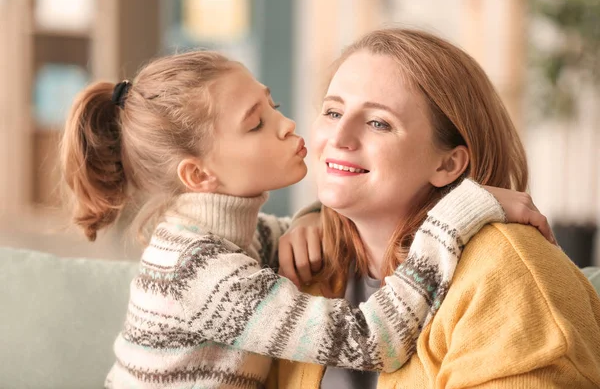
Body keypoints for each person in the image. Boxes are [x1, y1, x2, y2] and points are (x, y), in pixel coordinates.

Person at [60, 50, 553, 388]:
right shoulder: (195, 270)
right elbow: (368, 341)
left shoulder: (237, 238)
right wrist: (457, 210)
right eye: (256, 123)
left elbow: (285, 236)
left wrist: (314, 214)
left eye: (271, 104)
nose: (289, 124)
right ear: (200, 174)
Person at [274, 28, 600, 388]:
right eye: (333, 112)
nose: (338, 137)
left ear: (447, 165)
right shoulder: (307, 265)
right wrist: (310, 216)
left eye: (378, 123)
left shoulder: (506, 272)